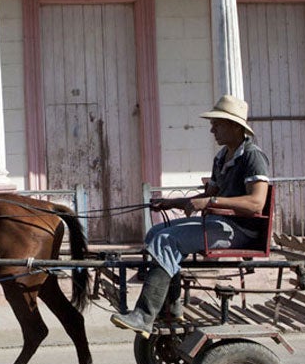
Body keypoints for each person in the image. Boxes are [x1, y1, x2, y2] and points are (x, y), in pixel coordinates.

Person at [110, 95, 270, 337]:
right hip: (221, 223)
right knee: (155, 232)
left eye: (218, 123)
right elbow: (208, 195)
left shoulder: (252, 156)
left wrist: (211, 201)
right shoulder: (222, 157)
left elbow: (256, 203)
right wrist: (171, 202)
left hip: (240, 231)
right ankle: (172, 308)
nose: (212, 129)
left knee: (167, 240)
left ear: (236, 127)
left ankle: (143, 315)